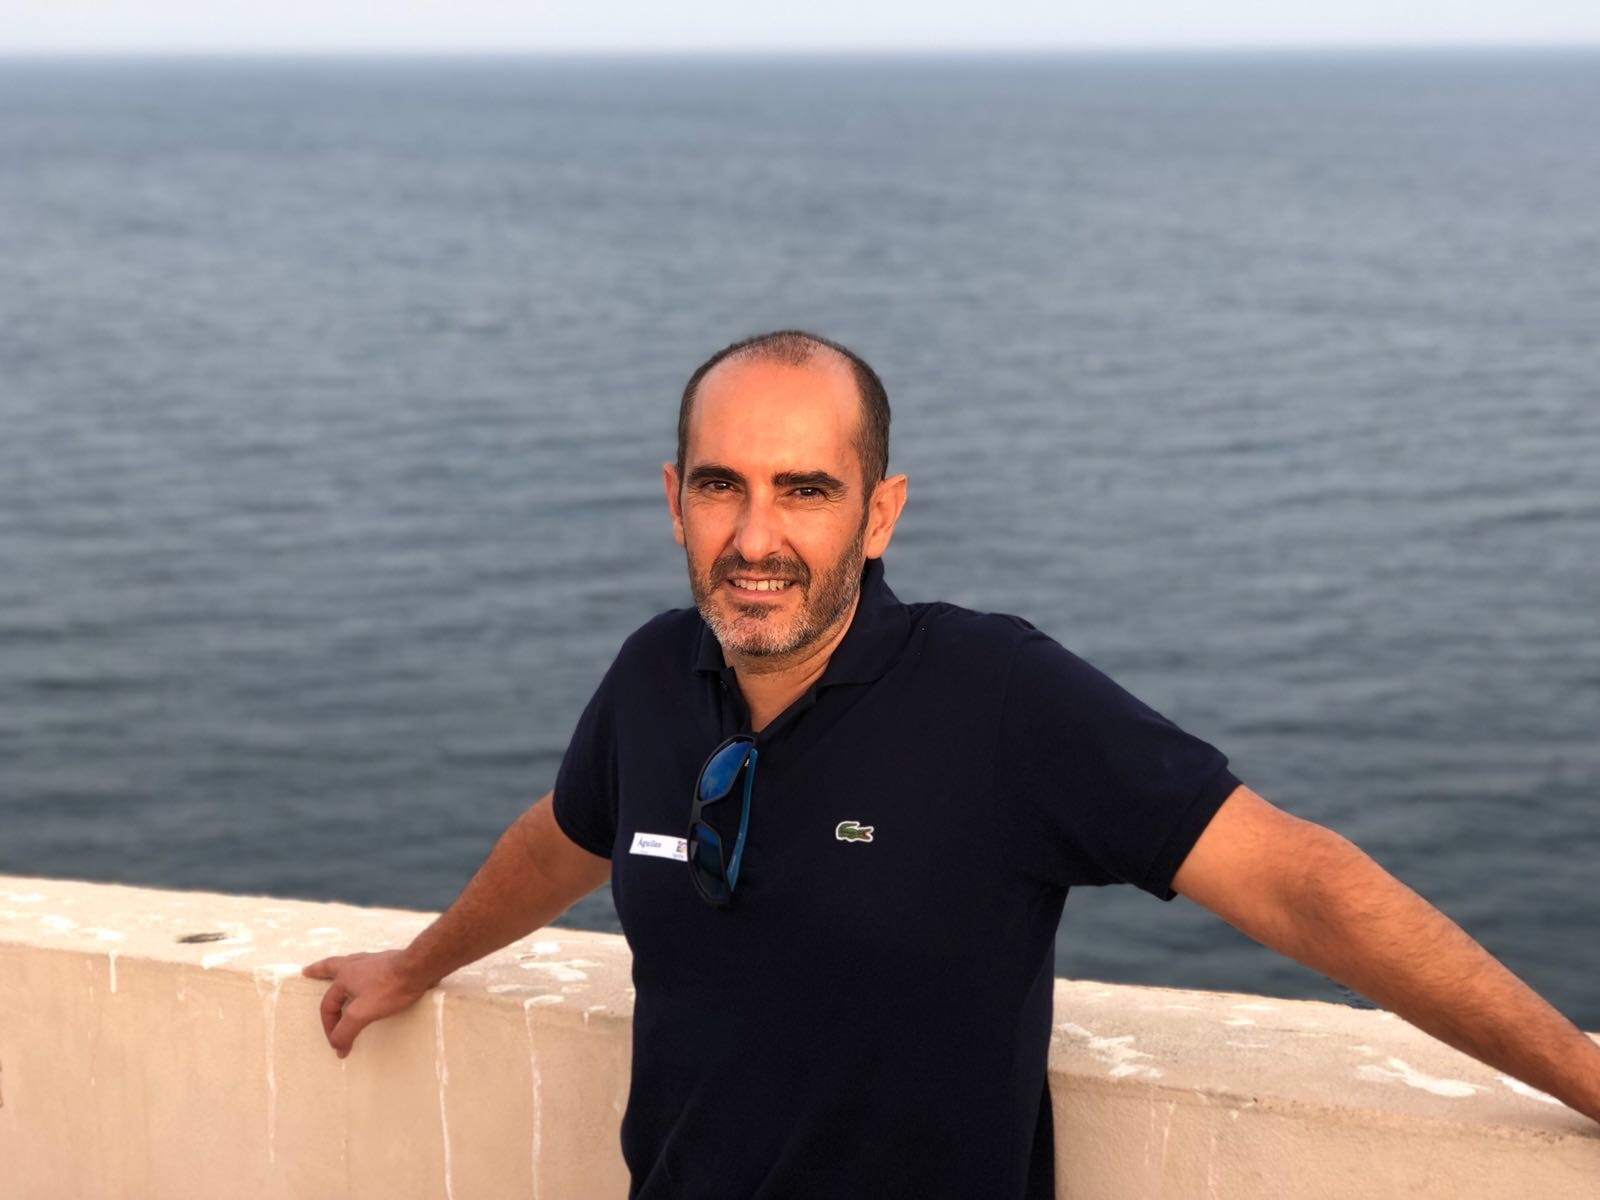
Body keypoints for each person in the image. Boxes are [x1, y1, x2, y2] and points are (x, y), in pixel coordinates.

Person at [305, 330, 1600, 1198]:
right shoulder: (655, 674)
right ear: (673, 499)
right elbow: (567, 835)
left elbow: (1297, 881)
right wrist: (417, 965)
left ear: (881, 513)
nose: (755, 537)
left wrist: (1584, 1076)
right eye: (720, 486)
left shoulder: (998, 698)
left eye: (806, 490)